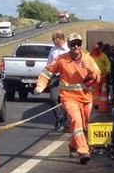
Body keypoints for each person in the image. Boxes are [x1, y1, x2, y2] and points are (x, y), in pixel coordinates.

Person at [36, 33, 100, 165]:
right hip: (69, 97)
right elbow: (47, 72)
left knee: (83, 125)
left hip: (86, 97)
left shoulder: (88, 59)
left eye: (78, 44)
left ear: (81, 45)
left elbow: (98, 78)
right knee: (76, 120)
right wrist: (41, 85)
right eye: (72, 44)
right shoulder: (61, 59)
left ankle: (73, 145)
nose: (76, 47)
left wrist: (90, 71)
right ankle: (83, 151)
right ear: (69, 45)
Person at [45, 30, 69, 130]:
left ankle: (67, 121)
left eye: (53, 40)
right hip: (55, 77)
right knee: (53, 98)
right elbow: (49, 64)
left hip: (66, 77)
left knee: (66, 100)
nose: (53, 42)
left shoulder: (68, 49)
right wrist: (46, 78)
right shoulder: (53, 50)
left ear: (59, 39)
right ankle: (59, 119)